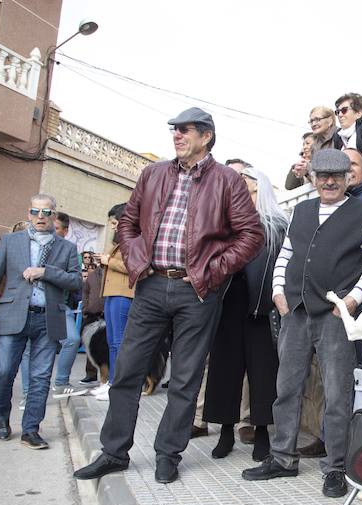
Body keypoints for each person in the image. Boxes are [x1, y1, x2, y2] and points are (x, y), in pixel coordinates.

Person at [72, 107, 263, 485]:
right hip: (151, 286)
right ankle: (113, 452)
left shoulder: (227, 181)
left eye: (185, 130)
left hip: (198, 291)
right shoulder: (153, 174)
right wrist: (136, 257)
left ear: (206, 136)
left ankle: (168, 454)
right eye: (174, 129)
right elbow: (127, 223)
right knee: (126, 371)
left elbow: (251, 235)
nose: (177, 135)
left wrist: (213, 269)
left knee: (185, 377)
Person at [241, 149, 362, 498]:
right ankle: (282, 458)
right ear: (313, 177)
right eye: (322, 175)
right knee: (286, 388)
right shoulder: (301, 211)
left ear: (348, 177)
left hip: (335, 314)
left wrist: (352, 301)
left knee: (337, 392)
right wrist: (278, 292)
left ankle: (336, 466)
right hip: (296, 311)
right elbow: (286, 254)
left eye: (336, 175)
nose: (329, 181)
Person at [0, 194, 82, 449]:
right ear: (29, 213)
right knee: (3, 372)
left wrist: (46, 272)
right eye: (35, 212)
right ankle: (2, 417)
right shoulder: (11, 242)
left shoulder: (67, 248)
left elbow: (76, 282)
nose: (40, 217)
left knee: (41, 376)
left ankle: (31, 429)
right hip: (13, 316)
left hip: (48, 318)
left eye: (46, 213)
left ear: (54, 215)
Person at [203, 167, 288, 461]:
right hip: (228, 302)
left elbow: (282, 266)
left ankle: (262, 432)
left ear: (260, 191)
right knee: (224, 369)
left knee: (264, 372)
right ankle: (226, 432)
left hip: (262, 306)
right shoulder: (224, 226)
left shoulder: (277, 225)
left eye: (248, 189)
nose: (242, 195)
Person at [89, 203, 133, 400]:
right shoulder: (118, 241)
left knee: (119, 342)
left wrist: (109, 261)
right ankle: (110, 382)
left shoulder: (134, 240)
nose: (113, 227)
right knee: (111, 341)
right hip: (111, 293)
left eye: (115, 222)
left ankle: (117, 384)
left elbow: (135, 266)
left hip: (124, 294)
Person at [51, 212, 83, 397]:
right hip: (37, 305)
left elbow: (75, 281)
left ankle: (61, 381)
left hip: (62, 306)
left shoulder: (71, 251)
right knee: (33, 349)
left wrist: (47, 273)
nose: (53, 233)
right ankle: (27, 393)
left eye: (56, 229)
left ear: (65, 230)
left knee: (72, 339)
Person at [79, 260, 104, 385]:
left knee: (106, 346)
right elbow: (85, 293)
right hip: (91, 314)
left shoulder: (109, 274)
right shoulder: (92, 276)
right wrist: (85, 308)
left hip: (106, 315)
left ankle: (106, 375)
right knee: (90, 345)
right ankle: (91, 374)